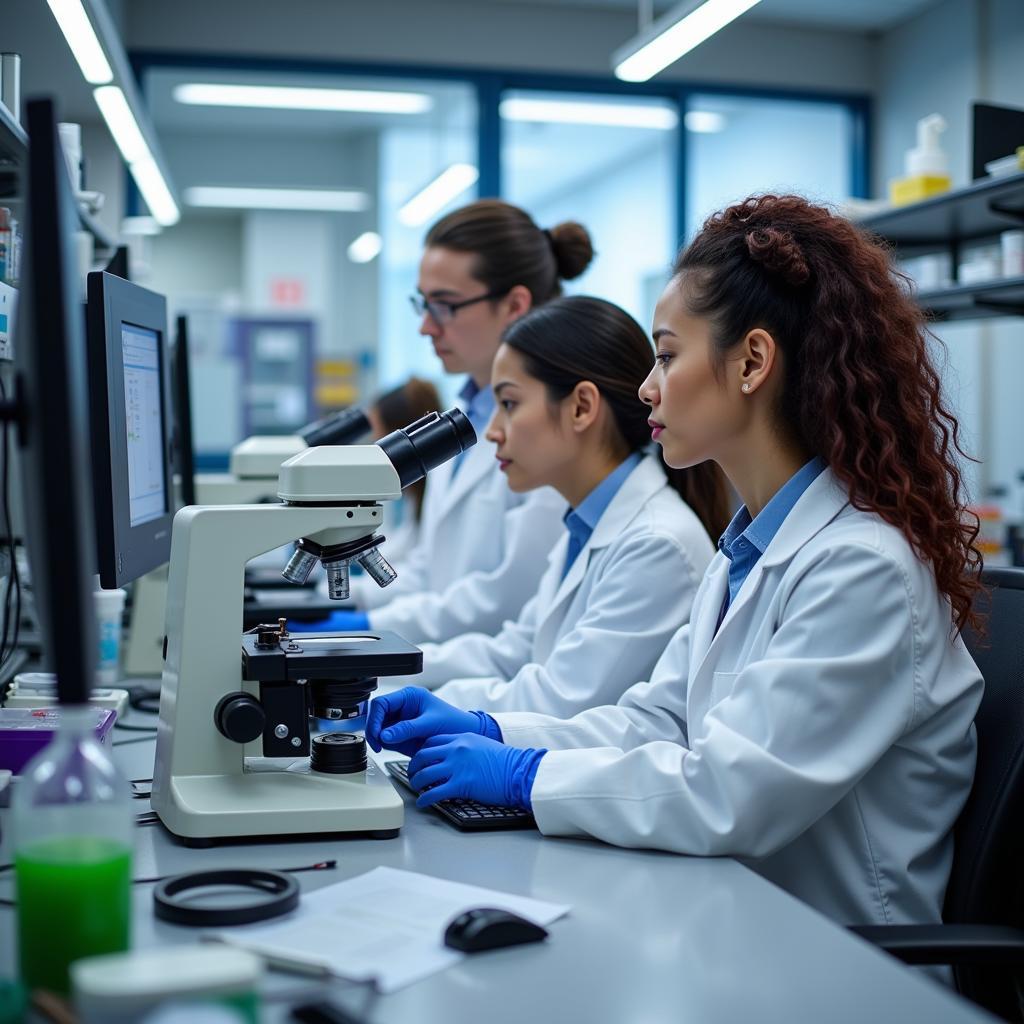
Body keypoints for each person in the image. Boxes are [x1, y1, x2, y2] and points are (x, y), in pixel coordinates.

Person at [366, 193, 985, 930]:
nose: (649, 387)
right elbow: (657, 721)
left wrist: (524, 776)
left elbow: (729, 793)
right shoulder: (746, 552)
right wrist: (495, 734)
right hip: (729, 912)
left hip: (837, 954)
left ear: (752, 361)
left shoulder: (865, 568)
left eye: (666, 355)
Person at [411, 295, 728, 716]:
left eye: (508, 404)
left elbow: (560, 699)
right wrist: (375, 668)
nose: (492, 433)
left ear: (581, 407)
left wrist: (423, 705)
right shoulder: (584, 527)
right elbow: (515, 650)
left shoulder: (657, 544)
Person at [323, 200, 595, 644]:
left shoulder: (553, 432)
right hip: (445, 664)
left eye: (444, 306)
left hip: (494, 682)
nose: (426, 328)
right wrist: (346, 613)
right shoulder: (465, 417)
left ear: (514, 305)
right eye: (422, 305)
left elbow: (506, 598)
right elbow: (430, 569)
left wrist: (365, 626)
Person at [364, 377, 443, 564]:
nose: (374, 443)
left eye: (379, 435)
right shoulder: (410, 492)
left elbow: (414, 557)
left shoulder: (434, 484)